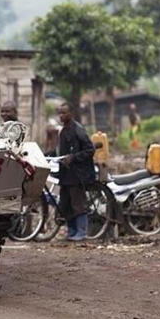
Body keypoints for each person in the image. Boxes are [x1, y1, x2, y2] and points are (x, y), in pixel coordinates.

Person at [55, 103, 95, 241]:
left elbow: (90, 150)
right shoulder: (63, 130)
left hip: (77, 174)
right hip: (66, 174)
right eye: (60, 113)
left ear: (70, 113)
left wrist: (73, 157)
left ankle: (81, 232)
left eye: (64, 113)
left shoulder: (78, 129)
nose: (61, 116)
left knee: (78, 203)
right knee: (66, 203)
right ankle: (71, 232)